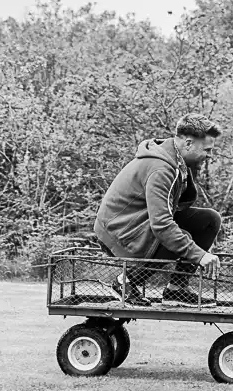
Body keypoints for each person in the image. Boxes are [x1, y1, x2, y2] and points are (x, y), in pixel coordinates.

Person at [94, 113, 223, 307]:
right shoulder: (161, 169)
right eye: (207, 149)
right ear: (188, 143)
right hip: (118, 230)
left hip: (138, 222)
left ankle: (176, 290)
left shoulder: (178, 162)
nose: (210, 155)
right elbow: (162, 225)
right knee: (175, 235)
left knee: (209, 220)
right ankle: (124, 283)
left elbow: (177, 205)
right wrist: (200, 255)